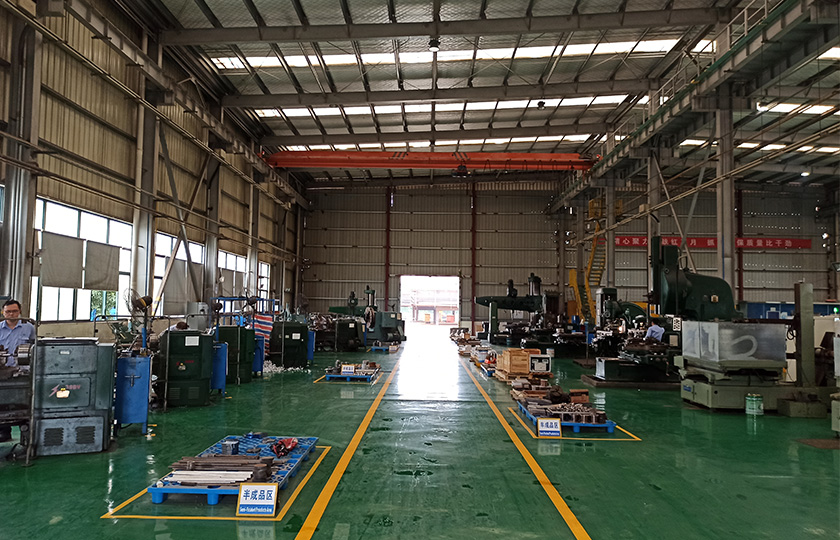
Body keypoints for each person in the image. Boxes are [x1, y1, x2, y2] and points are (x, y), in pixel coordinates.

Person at [0, 300, 36, 367]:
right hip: (2, 368)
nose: (11, 314)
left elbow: (34, 347)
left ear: (19, 311)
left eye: (14, 311)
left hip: (22, 368)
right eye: (8, 311)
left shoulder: (29, 327)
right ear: (3, 312)